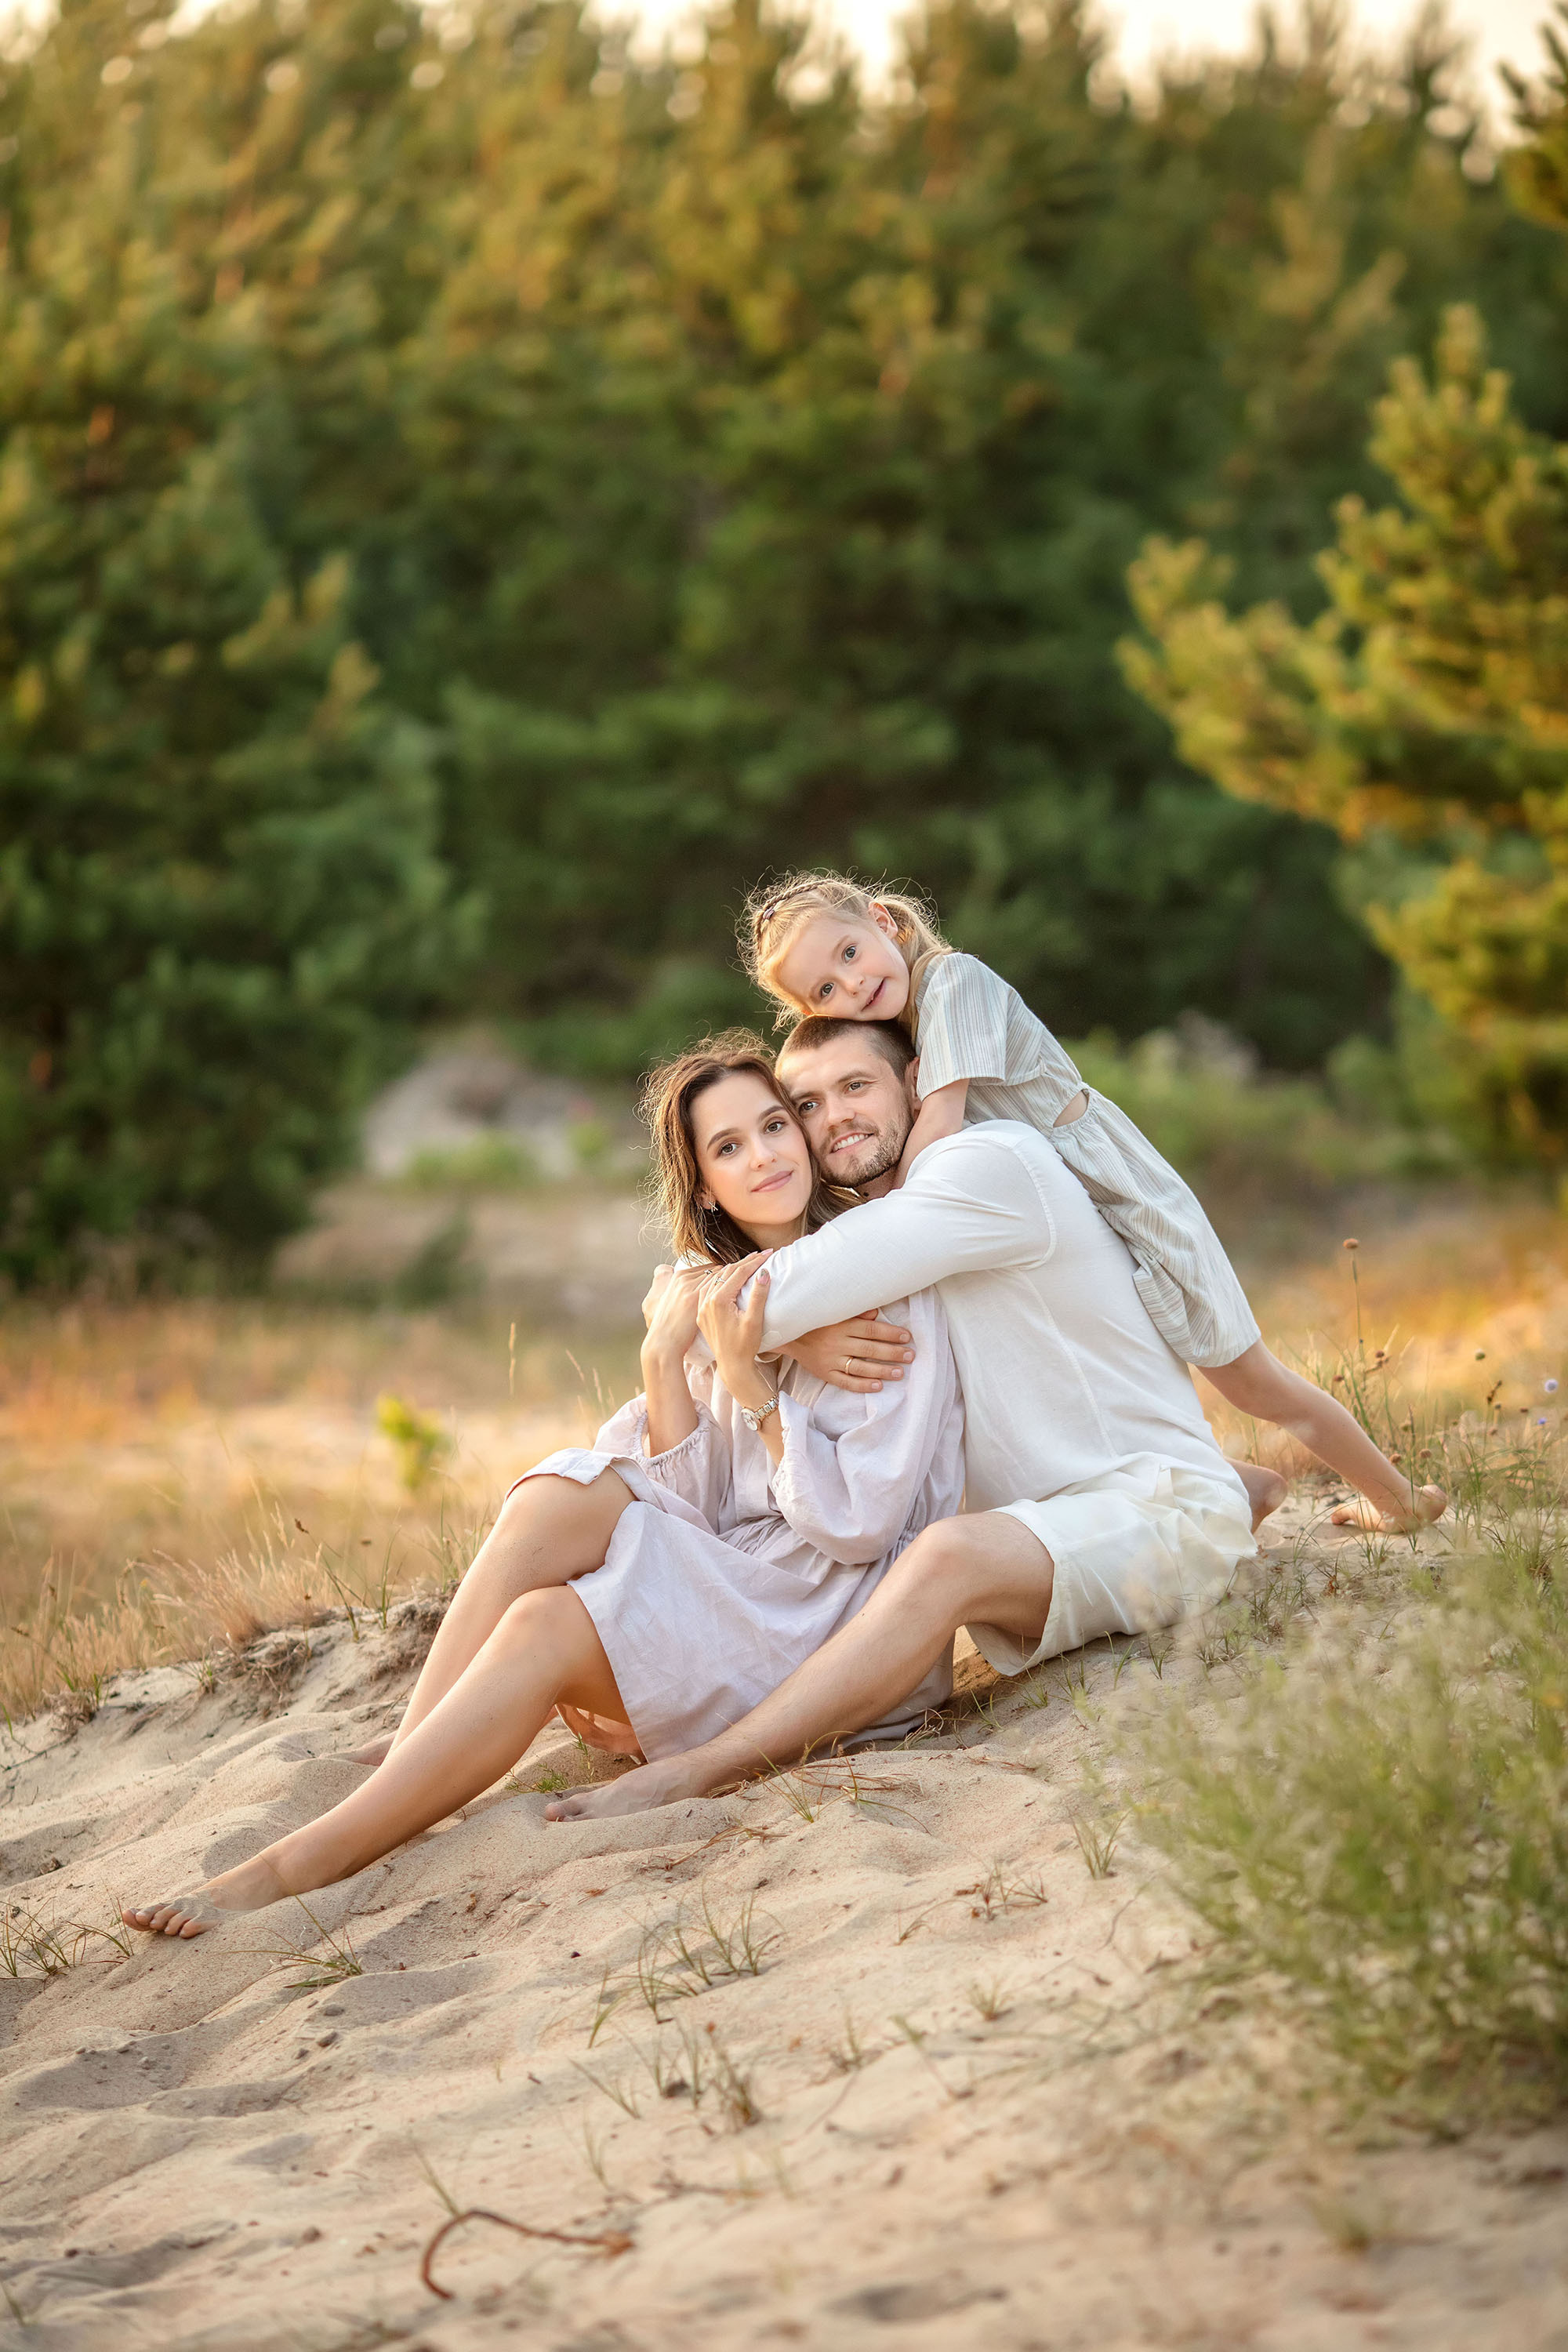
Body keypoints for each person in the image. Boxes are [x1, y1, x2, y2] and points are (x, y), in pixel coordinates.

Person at [122, 1035, 962, 1938]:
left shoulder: (883, 1279)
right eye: (728, 1146)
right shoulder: (704, 1298)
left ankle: (298, 1863)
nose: (762, 1156)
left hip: (834, 1615)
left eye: (773, 1126)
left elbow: (857, 1527)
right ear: (703, 1187)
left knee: (545, 1623)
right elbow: (697, 1510)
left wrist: (752, 1377)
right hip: (746, 1586)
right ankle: (411, 1750)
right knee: (558, 1496)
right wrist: (667, 1360)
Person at [543, 1013, 1423, 1824]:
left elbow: (744, 1295)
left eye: (857, 1086)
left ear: (916, 1083)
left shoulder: (978, 1171)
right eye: (806, 1104)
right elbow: (726, 1285)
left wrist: (744, 1326)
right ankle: (1234, 1489)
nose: (833, 1119)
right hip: (1064, 1510)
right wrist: (766, 1329)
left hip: (1130, 1506)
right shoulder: (884, 1228)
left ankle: (702, 1769)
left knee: (944, 1556)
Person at [742, 870, 1444, 1535]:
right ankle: (1238, 1486)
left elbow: (941, 1125)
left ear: (884, 921)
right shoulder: (895, 1036)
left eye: (850, 953)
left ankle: (1398, 1498)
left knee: (1248, 1379)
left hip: (1122, 1194)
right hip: (1063, 1220)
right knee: (1083, 1361)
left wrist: (878, 1222)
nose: (853, 982)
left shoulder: (953, 982)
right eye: (826, 988)